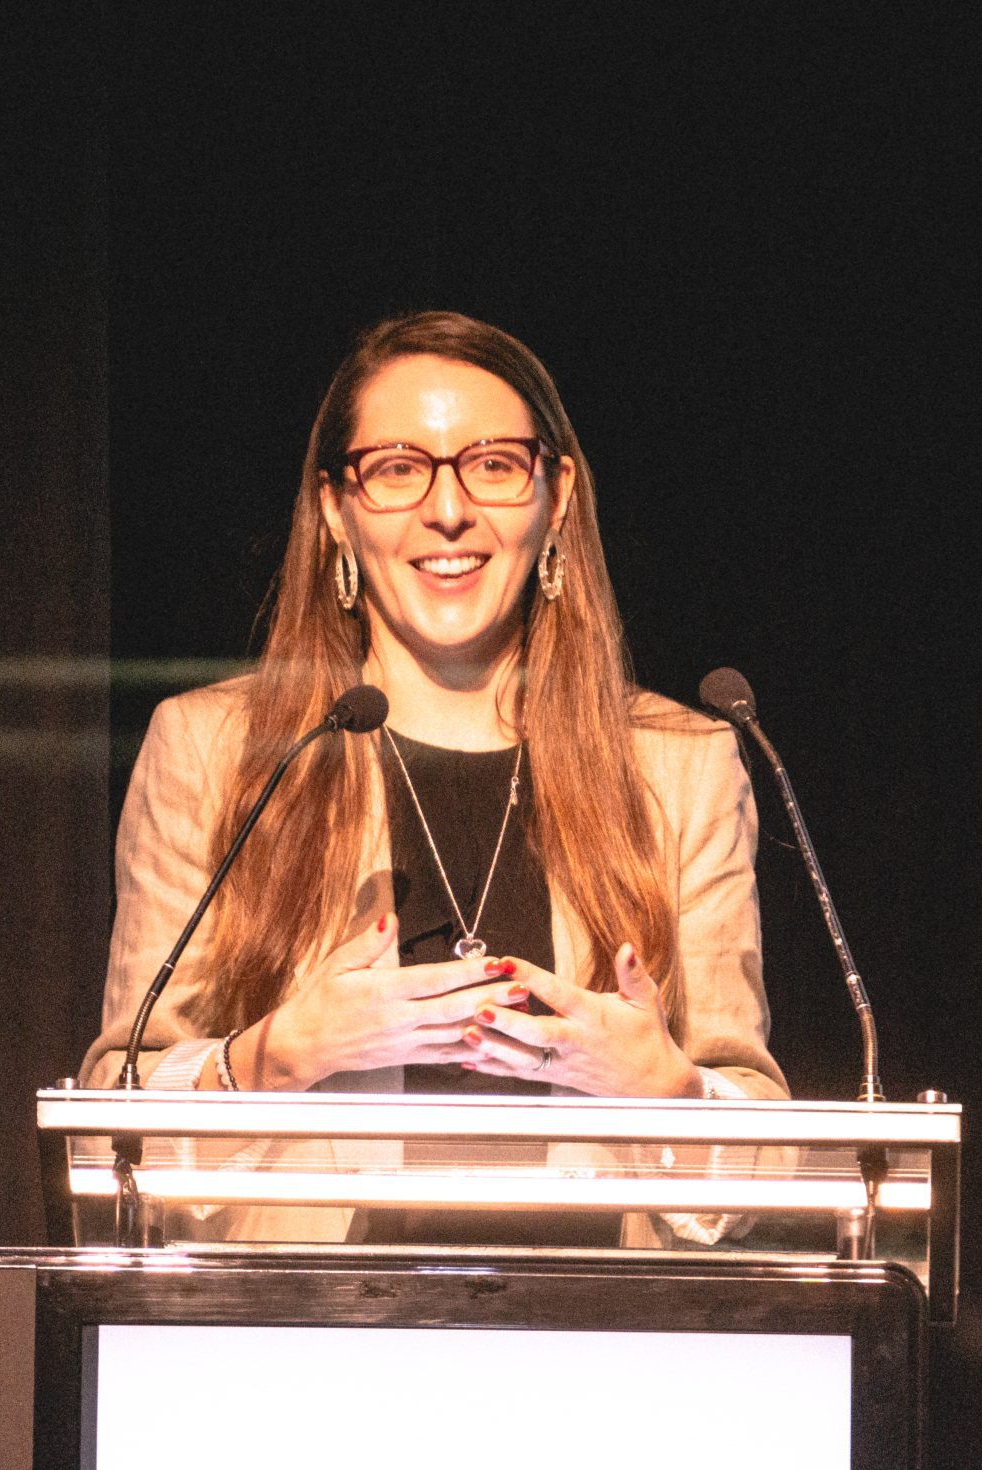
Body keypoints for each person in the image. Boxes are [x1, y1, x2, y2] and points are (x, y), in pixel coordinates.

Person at [79, 311, 785, 1240]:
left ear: (557, 496)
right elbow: (111, 1126)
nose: (447, 509)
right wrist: (275, 1057)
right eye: (397, 468)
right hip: (298, 1325)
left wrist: (666, 1088)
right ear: (335, 508)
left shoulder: (681, 764)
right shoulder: (217, 751)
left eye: (492, 464)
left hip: (599, 1325)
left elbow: (763, 1159)